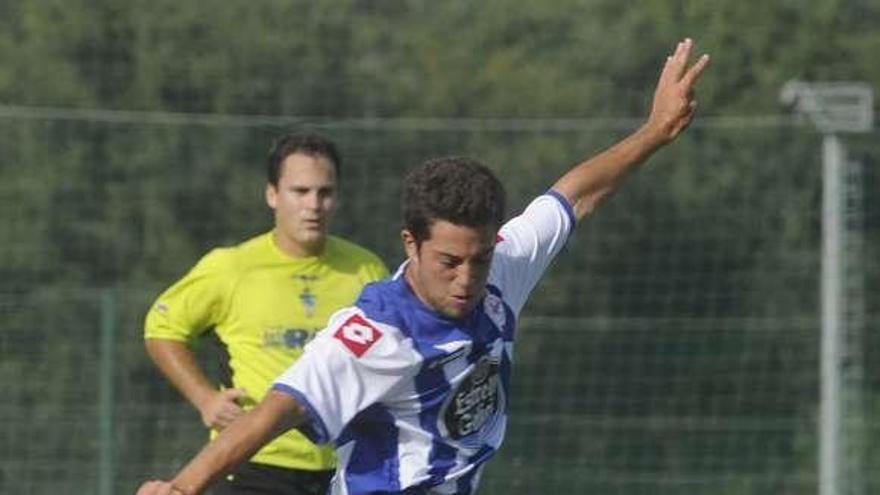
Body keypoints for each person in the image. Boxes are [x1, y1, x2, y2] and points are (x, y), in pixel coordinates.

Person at [137, 38, 710, 495]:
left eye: (479, 258)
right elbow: (279, 409)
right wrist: (185, 486)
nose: (467, 277)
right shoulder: (374, 332)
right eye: (449, 262)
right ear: (410, 244)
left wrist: (654, 132)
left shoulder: (501, 267)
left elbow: (575, 196)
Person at [143, 130, 389, 495]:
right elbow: (162, 327)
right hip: (253, 464)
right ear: (272, 194)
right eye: (300, 191)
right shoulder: (233, 268)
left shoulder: (366, 271)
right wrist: (205, 398)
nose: (313, 205)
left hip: (343, 465)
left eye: (325, 192)